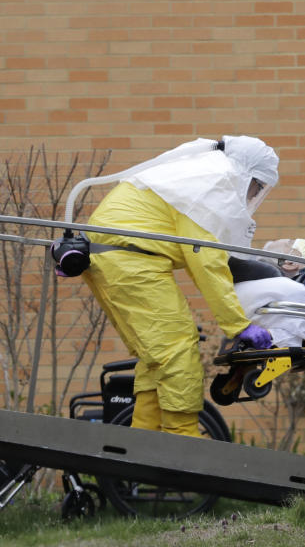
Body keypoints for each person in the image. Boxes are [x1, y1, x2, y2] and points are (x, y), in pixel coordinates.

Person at [80, 136, 278, 437]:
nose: (254, 193)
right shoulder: (215, 184)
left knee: (157, 356)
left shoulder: (196, 175)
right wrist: (238, 325)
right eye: (256, 185)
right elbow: (206, 261)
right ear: (246, 173)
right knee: (179, 349)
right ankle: (182, 439)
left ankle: (141, 440)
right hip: (131, 259)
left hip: (118, 256)